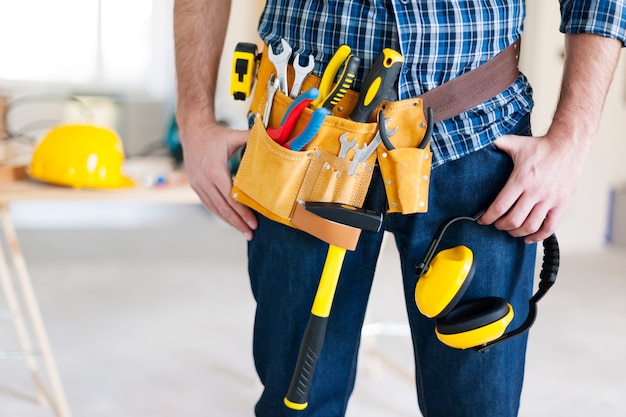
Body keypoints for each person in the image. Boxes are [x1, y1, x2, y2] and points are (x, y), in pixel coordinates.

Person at [173, 1, 624, 416]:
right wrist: (194, 118)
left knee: (477, 405)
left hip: (479, 139)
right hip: (303, 140)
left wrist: (571, 140)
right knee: (297, 401)